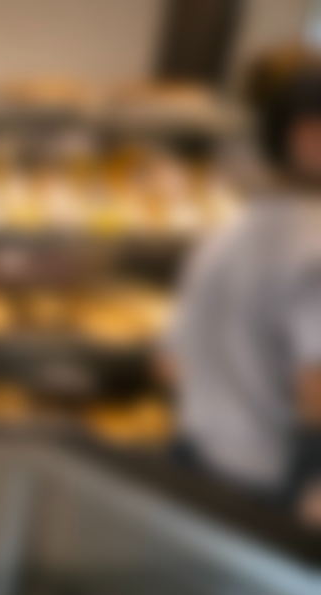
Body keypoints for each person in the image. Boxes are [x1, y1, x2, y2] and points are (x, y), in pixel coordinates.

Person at [168, 43, 321, 524]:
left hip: (198, 471)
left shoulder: (224, 235)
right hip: (274, 495)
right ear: (307, 137)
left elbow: (168, 362)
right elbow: (316, 391)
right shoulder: (313, 246)